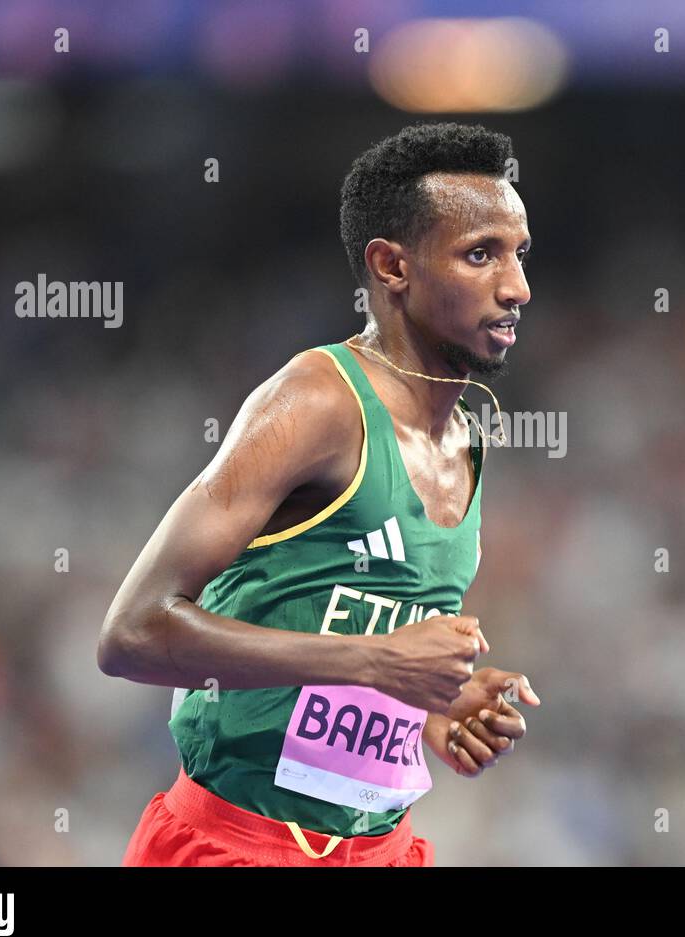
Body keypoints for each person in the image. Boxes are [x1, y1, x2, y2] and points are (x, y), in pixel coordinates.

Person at [98, 121, 540, 867]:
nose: (517, 287)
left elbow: (355, 646)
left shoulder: (468, 435)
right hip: (234, 844)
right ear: (391, 266)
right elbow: (132, 634)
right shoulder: (316, 403)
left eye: (519, 254)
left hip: (383, 849)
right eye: (480, 254)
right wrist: (376, 663)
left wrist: (431, 707)